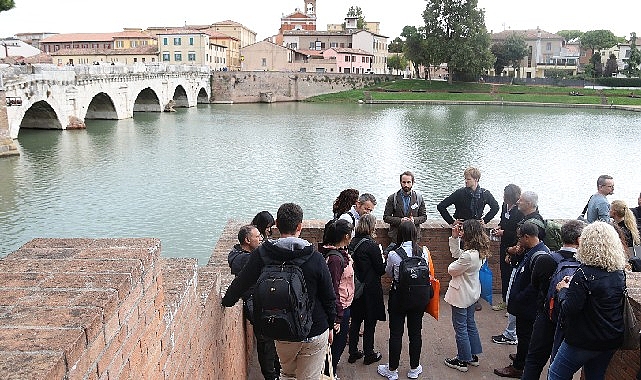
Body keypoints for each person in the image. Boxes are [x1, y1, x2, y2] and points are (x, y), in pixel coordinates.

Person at [222, 203, 336, 380]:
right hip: (315, 328)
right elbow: (329, 297)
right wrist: (331, 324)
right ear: (300, 226)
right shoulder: (315, 258)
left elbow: (241, 283)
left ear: (276, 224)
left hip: (283, 327)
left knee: (287, 374)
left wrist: (226, 301)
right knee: (310, 377)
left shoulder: (262, 254)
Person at [548, 221, 627, 380]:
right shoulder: (619, 273)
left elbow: (569, 308)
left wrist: (563, 290)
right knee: (595, 376)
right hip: (610, 338)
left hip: (583, 340)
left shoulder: (583, 273)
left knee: (556, 374)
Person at [520, 220, 585, 380]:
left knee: (534, 360)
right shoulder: (584, 264)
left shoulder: (546, 259)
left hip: (546, 317)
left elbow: (536, 285)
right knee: (560, 367)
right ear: (579, 239)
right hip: (570, 320)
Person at [437, 166, 499, 311]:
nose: (465, 181)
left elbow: (495, 207)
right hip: (463, 230)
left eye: (468, 179)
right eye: (465, 178)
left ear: (476, 180)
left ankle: (474, 296)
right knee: (462, 261)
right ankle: (462, 294)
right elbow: (441, 206)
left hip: (477, 232)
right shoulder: (459, 193)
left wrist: (486, 220)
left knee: (477, 266)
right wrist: (452, 222)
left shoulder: (484, 194)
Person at [494, 221, 550, 378]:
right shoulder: (531, 250)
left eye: (520, 238)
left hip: (527, 306)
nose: (518, 241)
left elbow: (535, 286)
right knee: (524, 335)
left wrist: (518, 298)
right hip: (524, 305)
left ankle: (519, 366)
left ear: (527, 237)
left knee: (525, 336)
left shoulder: (540, 256)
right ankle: (522, 356)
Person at [227, 224, 280, 380]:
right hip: (252, 300)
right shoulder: (238, 257)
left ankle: (277, 369)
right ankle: (271, 375)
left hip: (263, 297)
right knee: (265, 339)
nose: (261, 239)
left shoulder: (252, 253)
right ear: (247, 240)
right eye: (257, 237)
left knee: (273, 337)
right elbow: (245, 262)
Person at [377, 221, 429, 380]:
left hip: (399, 296)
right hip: (419, 297)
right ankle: (414, 368)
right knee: (415, 333)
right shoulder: (423, 252)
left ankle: (392, 370)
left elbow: (388, 272)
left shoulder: (394, 254)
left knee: (396, 333)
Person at [443, 219, 489, 373]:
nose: (460, 232)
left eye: (462, 231)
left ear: (469, 233)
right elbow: (457, 253)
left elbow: (451, 269)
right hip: (472, 292)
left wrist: (458, 262)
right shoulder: (479, 252)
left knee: (460, 327)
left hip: (461, 294)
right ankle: (473, 356)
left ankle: (462, 359)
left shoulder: (469, 256)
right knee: (470, 324)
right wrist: (454, 238)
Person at [347, 214, 386, 366]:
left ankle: (352, 352)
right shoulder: (372, 245)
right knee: (370, 323)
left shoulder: (353, 242)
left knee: (356, 321)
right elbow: (380, 269)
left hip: (356, 287)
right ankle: (369, 353)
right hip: (370, 289)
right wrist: (382, 257)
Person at [322, 219, 355, 377]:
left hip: (343, 306)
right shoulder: (335, 260)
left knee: (337, 347)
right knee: (335, 348)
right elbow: (332, 289)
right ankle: (330, 374)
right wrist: (337, 317)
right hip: (339, 309)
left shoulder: (340, 254)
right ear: (346, 236)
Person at [492, 184, 525, 312]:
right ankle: (505, 301)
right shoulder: (504, 206)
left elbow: (518, 231)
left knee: (513, 274)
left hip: (514, 245)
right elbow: (502, 221)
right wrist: (499, 227)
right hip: (504, 245)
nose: (504, 197)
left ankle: (512, 303)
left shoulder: (518, 210)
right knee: (504, 273)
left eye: (506, 195)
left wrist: (504, 233)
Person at [383, 171, 427, 242]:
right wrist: (400, 220)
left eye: (408, 182)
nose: (406, 185)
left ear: (413, 182)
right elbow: (386, 217)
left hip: (413, 236)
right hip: (396, 237)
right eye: (404, 182)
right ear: (400, 182)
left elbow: (424, 217)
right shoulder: (392, 198)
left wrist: (414, 220)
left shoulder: (419, 198)